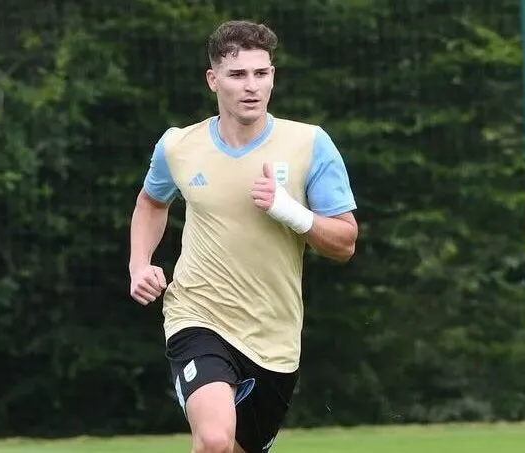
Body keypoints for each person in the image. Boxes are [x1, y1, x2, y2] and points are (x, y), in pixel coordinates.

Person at [128, 19, 358, 453]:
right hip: (198, 314)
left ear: (273, 76)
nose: (251, 86)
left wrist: (288, 211)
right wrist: (140, 263)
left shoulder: (310, 144)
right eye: (237, 75)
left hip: (274, 336)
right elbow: (151, 202)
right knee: (214, 440)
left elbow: (345, 242)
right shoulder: (178, 146)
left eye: (261, 73)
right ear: (213, 79)